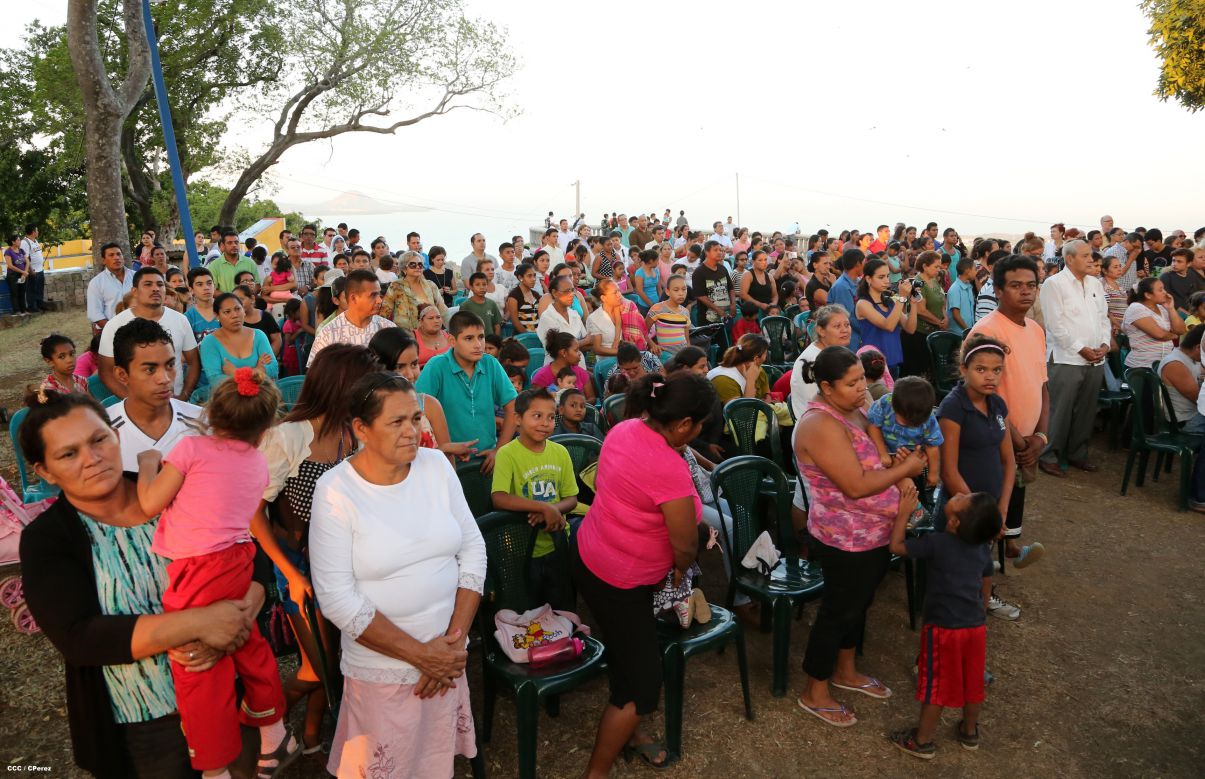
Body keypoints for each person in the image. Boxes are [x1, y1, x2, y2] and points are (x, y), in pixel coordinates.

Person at [19, 388, 268, 778]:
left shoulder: (177, 482)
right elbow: (80, 636)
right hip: (146, 725)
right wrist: (202, 623)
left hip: (227, 692)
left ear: (115, 435)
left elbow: (246, 545)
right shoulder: (47, 539)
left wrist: (247, 609)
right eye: (69, 454)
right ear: (45, 471)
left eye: (99, 439)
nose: (92, 459)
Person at [309, 372, 486, 778]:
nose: (412, 432)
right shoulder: (336, 491)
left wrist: (452, 646)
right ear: (361, 429)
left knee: (435, 763)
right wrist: (421, 656)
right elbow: (337, 598)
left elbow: (473, 549)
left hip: (446, 656)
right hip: (384, 670)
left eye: (416, 419)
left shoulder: (436, 466)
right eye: (397, 422)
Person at [134, 369, 298, 777]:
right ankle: (273, 732)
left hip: (196, 568)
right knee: (247, 643)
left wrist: (149, 463)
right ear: (263, 431)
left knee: (198, 666)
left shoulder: (189, 449)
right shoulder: (258, 464)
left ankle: (214, 768)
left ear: (210, 414)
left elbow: (150, 504)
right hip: (238, 561)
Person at [573, 371, 716, 774]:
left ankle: (631, 733)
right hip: (621, 579)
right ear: (685, 424)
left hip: (591, 554)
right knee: (641, 684)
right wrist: (680, 570)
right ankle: (596, 772)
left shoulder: (625, 429)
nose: (700, 430)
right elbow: (685, 544)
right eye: (700, 424)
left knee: (627, 649)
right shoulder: (668, 466)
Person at [794, 347, 926, 727]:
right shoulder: (819, 424)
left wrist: (898, 464)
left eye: (861, 381)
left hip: (873, 531)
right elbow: (854, 485)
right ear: (825, 387)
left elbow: (874, 452)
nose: (861, 389)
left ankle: (845, 671)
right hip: (845, 537)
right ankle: (814, 690)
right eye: (851, 384)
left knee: (859, 604)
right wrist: (912, 468)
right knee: (838, 611)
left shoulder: (854, 406)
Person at [886, 492, 1001, 759]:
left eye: (963, 498)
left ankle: (922, 740)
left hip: (943, 629)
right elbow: (986, 580)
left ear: (954, 523)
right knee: (973, 680)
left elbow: (897, 547)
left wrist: (903, 512)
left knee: (935, 685)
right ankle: (969, 731)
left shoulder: (937, 543)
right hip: (975, 627)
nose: (961, 492)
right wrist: (981, 610)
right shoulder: (982, 548)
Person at [968, 255, 1049, 563]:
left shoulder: (1036, 330)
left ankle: (1011, 546)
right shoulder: (987, 332)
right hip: (995, 438)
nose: (1025, 291)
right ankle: (984, 576)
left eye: (1031, 285)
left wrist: (1040, 435)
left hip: (1026, 438)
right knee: (991, 500)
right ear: (998, 290)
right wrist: (1015, 438)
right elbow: (982, 397)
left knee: (1016, 490)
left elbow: (1042, 385)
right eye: (1015, 285)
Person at [491, 387, 579, 609]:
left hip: (556, 542)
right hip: (520, 547)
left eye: (550, 417)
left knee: (560, 602)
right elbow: (499, 498)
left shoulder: (560, 452)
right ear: (518, 419)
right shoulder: (507, 454)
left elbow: (572, 498)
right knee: (528, 605)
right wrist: (543, 507)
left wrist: (553, 510)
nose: (545, 423)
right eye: (537, 416)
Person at [1037, 240, 1110, 476]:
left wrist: (1104, 344)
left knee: (1087, 410)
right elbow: (1055, 326)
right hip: (1067, 357)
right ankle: (1048, 455)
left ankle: (1077, 452)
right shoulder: (1054, 284)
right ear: (1070, 259)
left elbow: (1103, 318)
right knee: (1060, 410)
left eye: (1091, 255)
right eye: (1086, 255)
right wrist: (1081, 348)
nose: (1091, 260)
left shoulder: (1095, 283)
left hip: (1095, 357)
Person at [415, 311, 518, 473]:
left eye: (481, 337)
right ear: (452, 341)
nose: (478, 344)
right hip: (447, 462)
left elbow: (513, 407)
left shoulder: (490, 364)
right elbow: (417, 411)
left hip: (487, 459)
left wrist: (500, 449)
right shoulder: (437, 366)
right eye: (469, 338)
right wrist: (443, 448)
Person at [98, 266, 201, 401]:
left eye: (160, 284)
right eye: (148, 284)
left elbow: (194, 362)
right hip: (135, 407)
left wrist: (184, 396)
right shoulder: (114, 325)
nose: (155, 289)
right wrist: (133, 401)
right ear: (134, 291)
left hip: (176, 402)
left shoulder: (180, 320)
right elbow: (106, 372)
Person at [867, 376, 942, 491]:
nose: (906, 424)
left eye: (915, 423)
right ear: (894, 405)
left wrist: (933, 474)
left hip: (913, 456)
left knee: (914, 487)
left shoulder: (929, 419)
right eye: (904, 420)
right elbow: (873, 426)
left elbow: (932, 447)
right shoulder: (885, 403)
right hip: (885, 451)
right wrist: (882, 453)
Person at [307, 270, 395, 367]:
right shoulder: (329, 334)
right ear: (353, 298)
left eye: (379, 294)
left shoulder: (388, 328)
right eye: (373, 295)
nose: (379, 300)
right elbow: (317, 375)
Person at [855, 258, 918, 377]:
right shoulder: (863, 304)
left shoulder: (890, 302)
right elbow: (888, 326)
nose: (886, 281)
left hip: (893, 360)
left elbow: (910, 328)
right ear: (868, 279)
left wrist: (913, 303)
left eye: (887, 276)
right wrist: (902, 297)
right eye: (881, 277)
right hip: (874, 364)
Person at [790, 304, 855, 419]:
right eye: (837, 326)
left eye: (847, 325)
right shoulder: (812, 361)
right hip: (816, 425)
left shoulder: (834, 352)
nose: (845, 330)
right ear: (821, 330)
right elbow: (821, 405)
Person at [199, 293, 279, 384]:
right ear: (217, 316)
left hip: (262, 395)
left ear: (244, 311)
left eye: (238, 309)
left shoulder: (258, 335)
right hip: (228, 397)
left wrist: (235, 373)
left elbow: (273, 369)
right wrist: (258, 370)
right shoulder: (210, 342)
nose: (235, 315)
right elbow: (215, 380)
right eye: (227, 312)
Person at [1122, 276, 1186, 370]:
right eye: (1160, 290)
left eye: (1164, 289)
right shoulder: (1136, 308)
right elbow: (1160, 334)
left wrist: (1171, 308)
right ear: (1148, 295)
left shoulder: (1162, 308)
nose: (1165, 292)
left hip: (1164, 364)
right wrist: (1174, 335)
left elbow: (1181, 330)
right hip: (1142, 366)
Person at [380, 251, 447, 330]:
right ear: (404, 268)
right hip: (405, 336)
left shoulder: (431, 285)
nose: (417, 267)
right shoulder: (395, 286)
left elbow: (443, 311)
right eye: (412, 264)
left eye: (420, 264)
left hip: (429, 333)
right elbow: (384, 313)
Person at [1158, 325, 1205, 434]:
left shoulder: (1192, 359)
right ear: (1198, 347)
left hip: (1195, 414)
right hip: (1185, 421)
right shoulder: (1175, 364)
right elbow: (1199, 399)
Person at [532, 329, 595, 401]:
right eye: (576, 350)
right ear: (564, 352)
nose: (579, 353)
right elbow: (537, 404)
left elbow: (591, 398)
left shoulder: (581, 372)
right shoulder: (541, 377)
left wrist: (578, 405)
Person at [86, 242, 134, 333]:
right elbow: (95, 314)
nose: (116, 258)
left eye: (119, 254)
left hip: (138, 328)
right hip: (110, 331)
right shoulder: (96, 283)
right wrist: (114, 330)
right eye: (111, 255)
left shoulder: (136, 277)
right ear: (103, 260)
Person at [646, 274, 692, 355]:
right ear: (667, 291)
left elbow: (687, 339)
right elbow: (643, 331)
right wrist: (653, 345)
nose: (681, 293)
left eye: (684, 289)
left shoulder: (685, 312)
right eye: (676, 290)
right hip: (665, 356)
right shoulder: (657, 309)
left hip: (682, 355)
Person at [692, 241, 736, 324]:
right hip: (707, 319)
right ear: (707, 252)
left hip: (725, 316)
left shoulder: (722, 268)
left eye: (720, 250)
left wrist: (733, 304)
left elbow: (730, 288)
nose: (719, 252)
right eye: (715, 250)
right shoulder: (699, 272)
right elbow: (701, 296)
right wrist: (718, 310)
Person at [827, 249, 864, 349]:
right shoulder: (842, 287)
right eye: (864, 262)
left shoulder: (858, 281)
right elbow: (848, 317)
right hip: (849, 338)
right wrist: (869, 329)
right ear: (857, 264)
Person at [234, 284, 282, 356]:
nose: (237, 304)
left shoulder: (266, 317)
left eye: (241, 299)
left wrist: (268, 359)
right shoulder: (233, 320)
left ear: (252, 299)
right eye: (234, 301)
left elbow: (277, 340)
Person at [185, 266, 221, 342]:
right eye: (200, 284)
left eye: (209, 283)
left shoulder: (226, 309)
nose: (206, 288)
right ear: (191, 290)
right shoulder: (187, 318)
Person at [739, 249, 780, 316]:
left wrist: (773, 304)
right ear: (753, 262)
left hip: (768, 308)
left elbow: (775, 295)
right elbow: (743, 295)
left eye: (765, 260)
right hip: (753, 310)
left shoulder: (770, 277)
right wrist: (760, 305)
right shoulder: (748, 275)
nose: (764, 262)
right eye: (760, 260)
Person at [946, 258, 977, 336]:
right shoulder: (955, 289)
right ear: (967, 271)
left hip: (967, 331)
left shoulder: (969, 286)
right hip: (959, 334)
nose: (976, 272)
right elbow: (956, 315)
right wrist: (968, 330)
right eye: (975, 269)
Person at [21, 223, 45, 313]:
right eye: (37, 230)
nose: (38, 232)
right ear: (33, 232)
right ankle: (32, 307)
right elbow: (25, 258)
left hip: (40, 269)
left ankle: (40, 305)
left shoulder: (35, 241)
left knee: (39, 289)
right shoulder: (25, 242)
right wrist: (30, 270)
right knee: (32, 290)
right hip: (33, 271)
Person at [4, 233, 30, 314]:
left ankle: (24, 310)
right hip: (13, 276)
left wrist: (24, 273)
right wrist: (23, 272)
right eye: (18, 240)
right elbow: (10, 266)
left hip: (22, 275)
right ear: (13, 242)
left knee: (22, 292)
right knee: (14, 292)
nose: (20, 241)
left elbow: (27, 261)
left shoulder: (21, 250)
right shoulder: (8, 252)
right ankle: (17, 310)